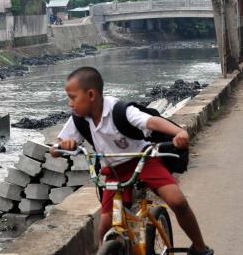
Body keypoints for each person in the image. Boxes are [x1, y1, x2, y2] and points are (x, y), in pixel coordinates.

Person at [50, 67, 213, 255]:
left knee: (177, 201)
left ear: (91, 94)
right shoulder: (79, 119)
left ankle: (200, 247)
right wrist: (63, 146)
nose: (70, 103)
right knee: (105, 226)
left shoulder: (120, 110)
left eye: (72, 97)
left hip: (144, 161)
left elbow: (151, 122)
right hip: (115, 170)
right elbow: (55, 149)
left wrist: (179, 132)